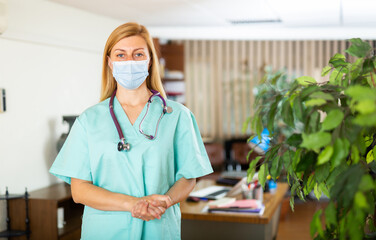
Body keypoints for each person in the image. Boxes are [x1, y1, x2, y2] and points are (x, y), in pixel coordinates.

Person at [49, 22, 213, 239]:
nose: (129, 61)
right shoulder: (89, 120)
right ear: (109, 62)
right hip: (106, 231)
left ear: (149, 60)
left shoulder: (177, 116)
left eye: (137, 54)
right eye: (120, 55)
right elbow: (79, 191)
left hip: (159, 227)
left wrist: (166, 201)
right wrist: (131, 204)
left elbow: (188, 177)